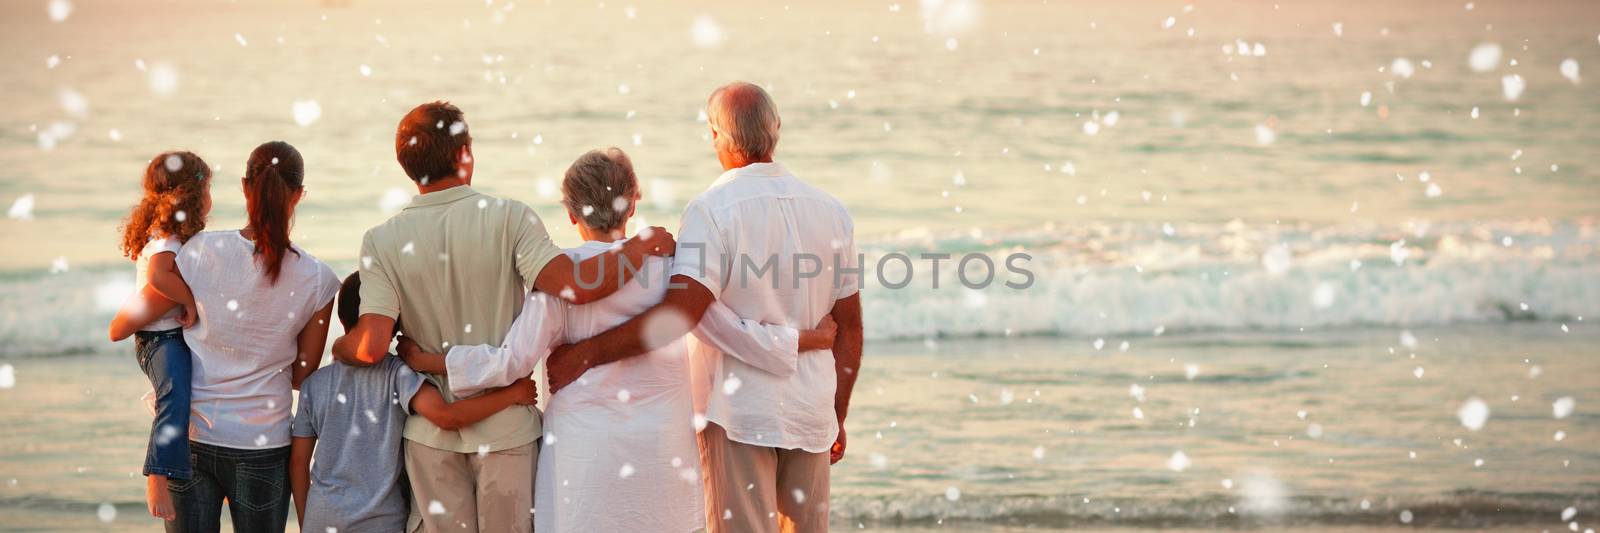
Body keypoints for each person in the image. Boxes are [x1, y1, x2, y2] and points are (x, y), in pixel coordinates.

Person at [396, 147, 838, 533]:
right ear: (633, 204)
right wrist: (803, 339)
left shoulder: (560, 277)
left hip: (583, 451)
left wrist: (436, 361)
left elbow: (511, 361)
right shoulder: (670, 268)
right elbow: (728, 333)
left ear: (570, 214)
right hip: (661, 447)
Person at [330, 102, 674, 532]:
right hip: (506, 431)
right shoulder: (510, 217)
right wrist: (638, 247)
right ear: (464, 154)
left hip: (430, 438)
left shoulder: (381, 240)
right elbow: (578, 285)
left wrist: (340, 346)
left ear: (406, 166)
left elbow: (371, 345)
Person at [543, 83, 864, 532]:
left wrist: (587, 353)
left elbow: (683, 314)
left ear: (716, 135)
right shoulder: (832, 211)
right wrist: (837, 413)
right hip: (810, 409)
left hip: (738, 413)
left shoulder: (711, 210)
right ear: (776, 129)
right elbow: (850, 327)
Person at [112, 141, 340, 533]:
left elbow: (126, 321)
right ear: (298, 195)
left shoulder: (198, 251)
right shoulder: (318, 279)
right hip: (262, 442)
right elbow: (303, 374)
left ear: (244, 187)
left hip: (193, 438)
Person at [289, 273, 538, 533]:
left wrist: (309, 521)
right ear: (393, 324)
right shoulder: (398, 376)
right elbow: (447, 417)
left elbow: (298, 462)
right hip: (380, 522)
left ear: (341, 320)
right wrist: (512, 395)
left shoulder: (312, 386)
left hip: (323, 519)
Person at [107, 151, 212, 522]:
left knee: (195, 400)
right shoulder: (167, 240)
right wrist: (190, 302)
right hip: (159, 338)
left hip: (170, 336)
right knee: (176, 398)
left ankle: (208, 472)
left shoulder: (175, 236)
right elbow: (158, 278)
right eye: (208, 188)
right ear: (194, 195)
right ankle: (158, 474)